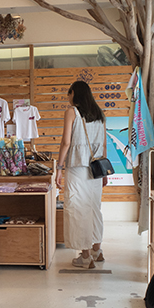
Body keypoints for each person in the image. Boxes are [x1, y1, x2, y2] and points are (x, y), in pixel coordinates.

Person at [55, 80, 106, 269]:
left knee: (77, 208)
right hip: (96, 169)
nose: (68, 98)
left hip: (77, 167)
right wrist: (105, 173)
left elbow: (65, 142)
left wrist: (59, 168)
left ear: (74, 93)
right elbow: (104, 145)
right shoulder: (100, 114)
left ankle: (85, 257)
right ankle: (97, 250)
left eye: (69, 94)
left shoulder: (72, 112)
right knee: (94, 207)